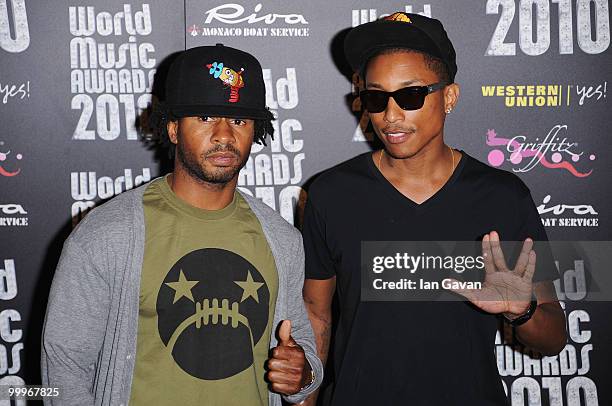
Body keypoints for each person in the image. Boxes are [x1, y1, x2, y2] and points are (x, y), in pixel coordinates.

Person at [302, 13, 566, 405]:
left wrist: (520, 312)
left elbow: (555, 335)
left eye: (410, 96)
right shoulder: (331, 194)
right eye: (376, 98)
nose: (390, 116)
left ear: (449, 97)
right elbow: (317, 315)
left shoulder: (502, 196)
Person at [41, 44, 322, 406]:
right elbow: (64, 366)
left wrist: (303, 374)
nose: (224, 135)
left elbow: (301, 352)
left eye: (239, 120)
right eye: (205, 117)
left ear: (257, 130)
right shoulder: (107, 235)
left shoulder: (281, 239)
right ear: (173, 128)